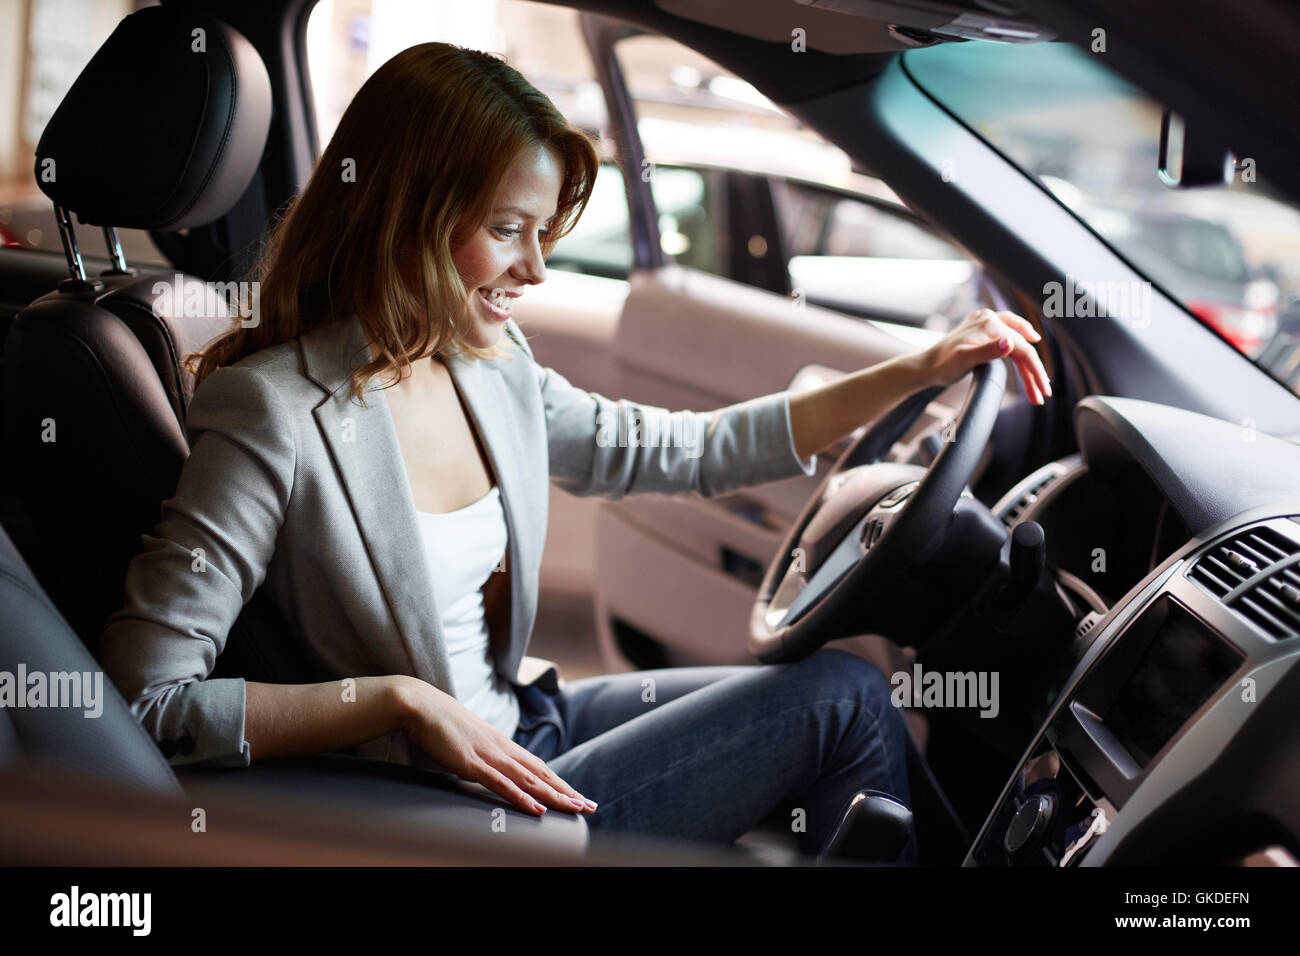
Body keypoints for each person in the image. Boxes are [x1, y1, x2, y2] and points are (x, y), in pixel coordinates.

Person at [100, 42, 1051, 860]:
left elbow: (683, 449)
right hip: (451, 805)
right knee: (843, 698)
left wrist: (917, 366)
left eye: (543, 231)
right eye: (507, 231)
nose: (537, 267)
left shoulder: (486, 359)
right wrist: (391, 701)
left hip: (531, 725)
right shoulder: (272, 411)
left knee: (848, 697)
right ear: (408, 216)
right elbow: (146, 702)